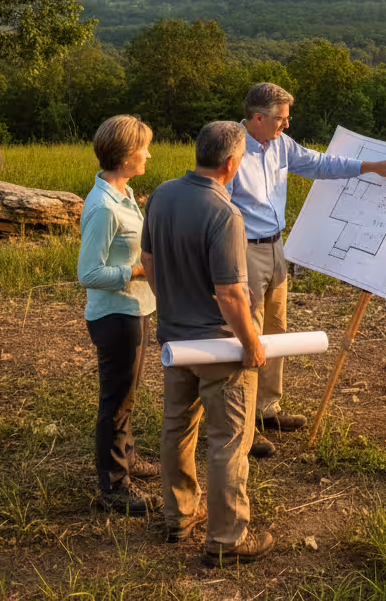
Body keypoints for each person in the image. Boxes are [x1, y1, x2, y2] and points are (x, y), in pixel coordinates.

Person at [230, 82, 386, 458]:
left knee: (275, 331)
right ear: (257, 118)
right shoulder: (230, 148)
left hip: (275, 246)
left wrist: (373, 167)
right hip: (240, 251)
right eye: (281, 119)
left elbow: (320, 164)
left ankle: (267, 409)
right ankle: (241, 426)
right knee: (246, 337)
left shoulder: (280, 145)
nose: (287, 126)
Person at [141, 121, 274, 565]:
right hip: (219, 347)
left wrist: (171, 303)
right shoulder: (225, 213)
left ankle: (178, 515)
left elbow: (148, 260)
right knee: (229, 441)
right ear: (231, 163)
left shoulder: (161, 195)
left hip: (175, 341)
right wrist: (252, 343)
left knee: (177, 427)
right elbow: (231, 293)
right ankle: (227, 539)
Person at [77, 114, 157, 515]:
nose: (148, 153)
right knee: (116, 399)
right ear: (126, 155)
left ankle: (127, 456)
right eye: (143, 147)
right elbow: (88, 273)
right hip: (116, 316)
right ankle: (113, 486)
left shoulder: (123, 195)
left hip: (135, 309)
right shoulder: (103, 208)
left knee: (127, 396)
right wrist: (138, 269)